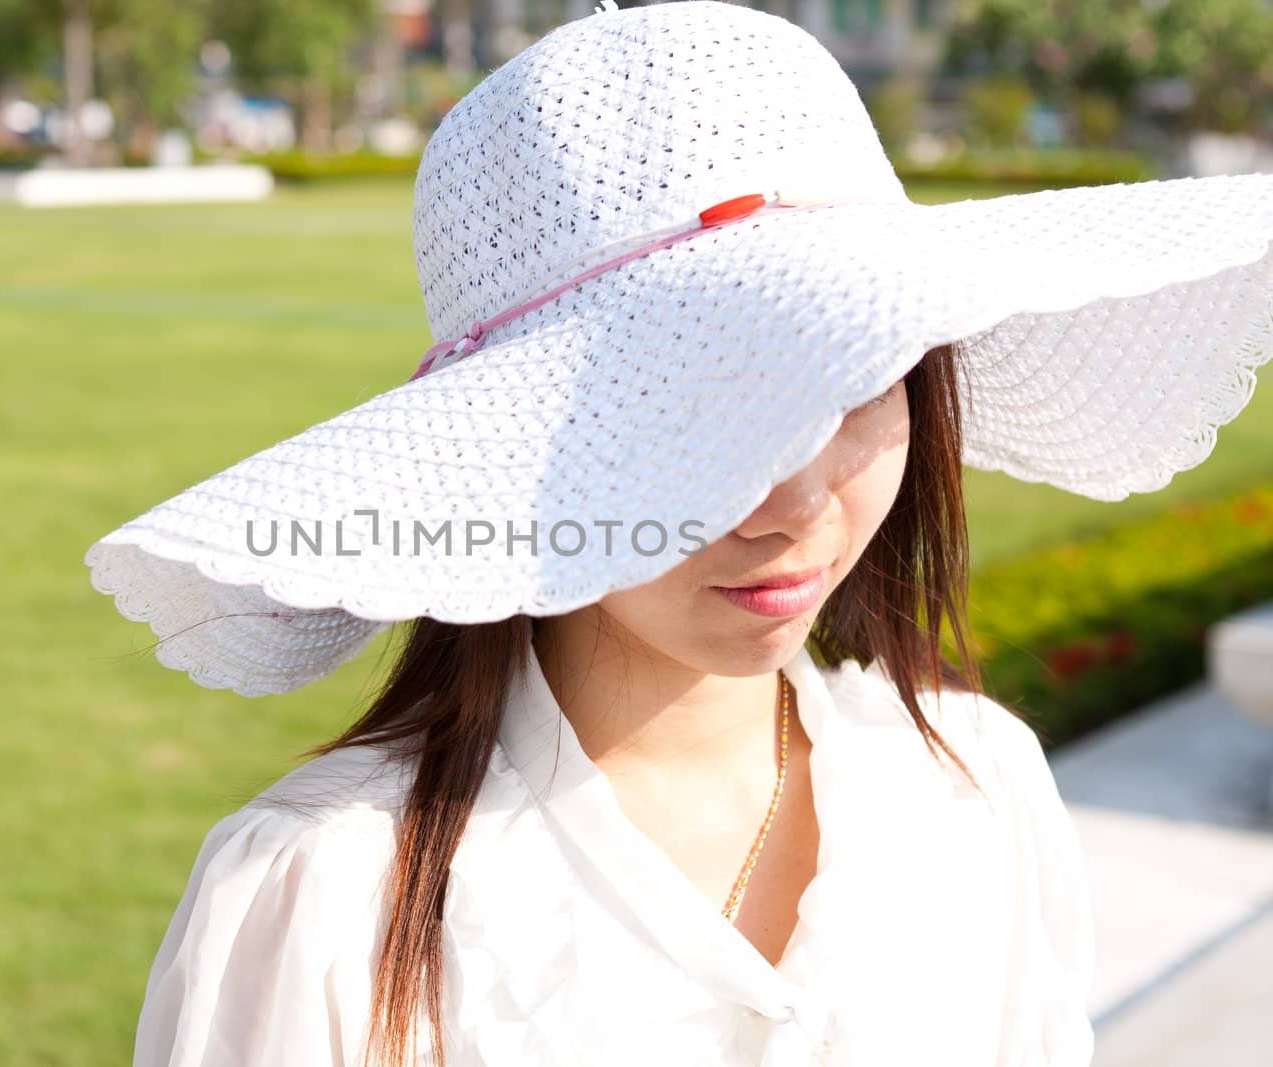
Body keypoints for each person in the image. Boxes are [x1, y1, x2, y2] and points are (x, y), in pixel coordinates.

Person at [83, 4, 1273, 1065]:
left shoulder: (978, 788)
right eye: (688, 410)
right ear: (517, 447)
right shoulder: (330, 894)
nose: (790, 500)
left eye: (852, 373)